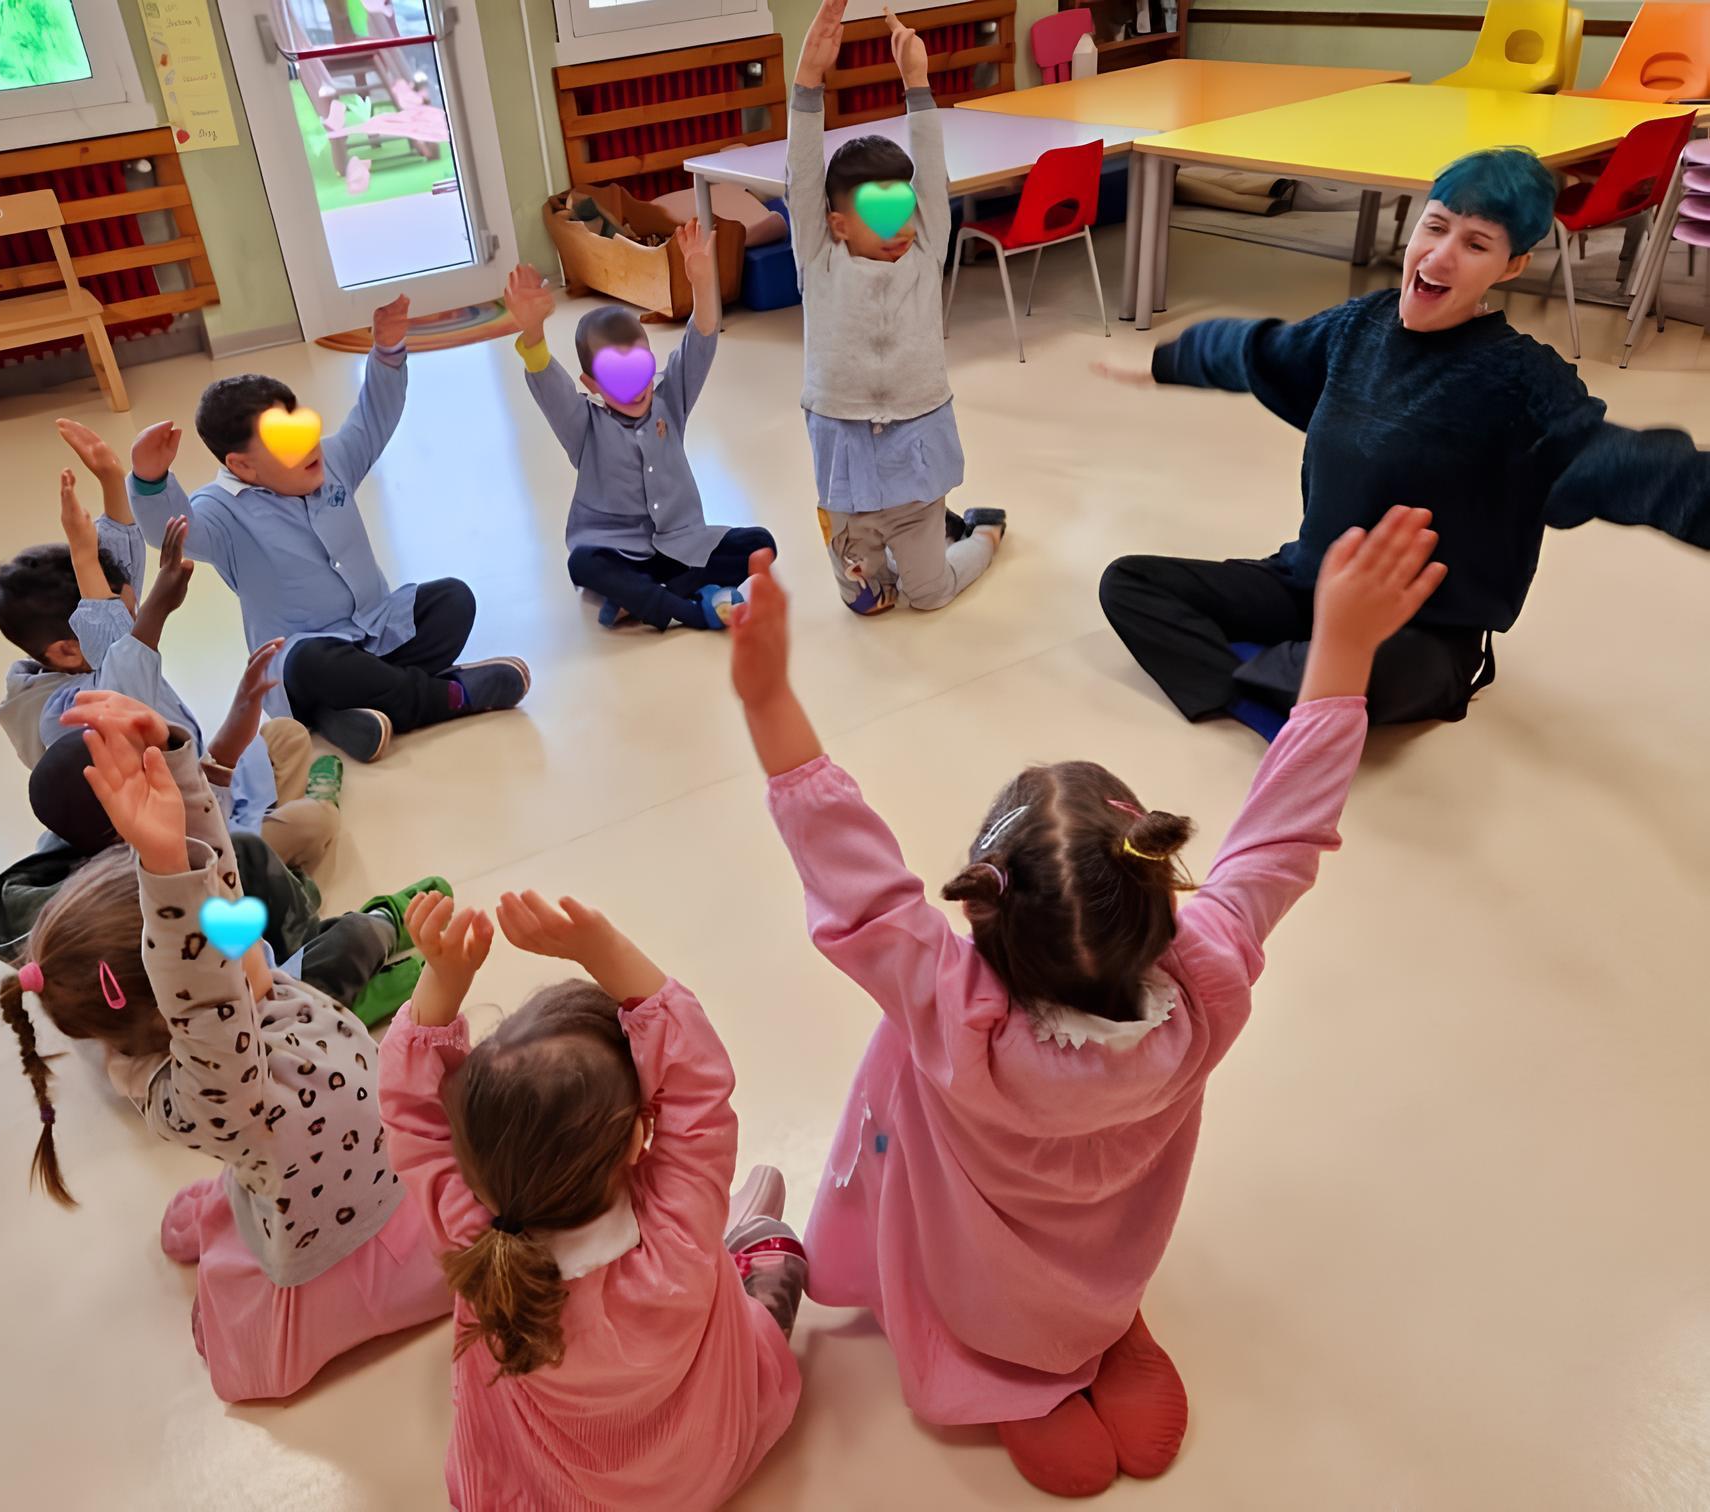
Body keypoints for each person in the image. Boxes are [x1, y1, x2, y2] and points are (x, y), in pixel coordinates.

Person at [725, 508, 1446, 1496]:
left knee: (987, 1287)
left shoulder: (946, 1010)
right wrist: (1343, 651)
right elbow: (1283, 839)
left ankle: (1011, 1372)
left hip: (982, 1286)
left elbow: (857, 880)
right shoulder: (1207, 976)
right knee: (1100, 1257)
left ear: (982, 906)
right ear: (1159, 883)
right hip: (1112, 1252)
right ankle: (1095, 1330)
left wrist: (769, 705)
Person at [1096, 147, 1710, 740]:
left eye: (1476, 244)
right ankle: (1278, 694)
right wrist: (1165, 361)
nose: (1440, 257)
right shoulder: (1359, 326)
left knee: (1377, 675)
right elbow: (1258, 351)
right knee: (1130, 583)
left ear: (1513, 265)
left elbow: (1622, 463)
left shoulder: (1522, 381)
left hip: (1423, 629)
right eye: (1435, 227)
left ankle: (1299, 687)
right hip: (1311, 583)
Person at [0, 690, 454, 1400]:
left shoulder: (236, 1000)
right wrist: (165, 872)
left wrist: (175, 771)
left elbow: (220, 888)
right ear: (180, 1008)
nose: (239, 921)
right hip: (354, 1236)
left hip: (341, 1165)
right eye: (213, 932)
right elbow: (199, 984)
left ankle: (226, 1213)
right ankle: (239, 1230)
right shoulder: (218, 1077)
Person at [378, 888, 804, 1510]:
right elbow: (697, 1090)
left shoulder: (470, 1237)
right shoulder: (678, 1237)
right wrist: (604, 949)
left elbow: (411, 1115)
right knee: (779, 1252)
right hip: (703, 1466)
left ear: (469, 1162)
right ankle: (751, 1240)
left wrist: (441, 979)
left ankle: (742, 1232)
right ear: (639, 1136)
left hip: (552, 1496)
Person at [126, 295, 530, 763]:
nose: (309, 443)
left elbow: (372, 420)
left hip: (375, 630)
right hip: (306, 659)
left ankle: (345, 710)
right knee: (317, 663)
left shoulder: (331, 461)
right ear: (244, 466)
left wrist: (388, 351)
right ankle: (447, 698)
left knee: (453, 600)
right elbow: (174, 533)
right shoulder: (221, 511)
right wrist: (151, 482)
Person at [0, 420, 341, 868]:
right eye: (127, 612)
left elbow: (118, 590)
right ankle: (293, 835)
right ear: (65, 649)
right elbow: (121, 664)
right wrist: (148, 603)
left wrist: (112, 481)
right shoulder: (66, 714)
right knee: (312, 824)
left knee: (286, 736)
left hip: (205, 783)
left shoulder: (81, 653)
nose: (134, 614)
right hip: (187, 843)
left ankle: (273, 829)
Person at [788, 0, 1006, 616]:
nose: (900, 224)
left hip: (914, 461)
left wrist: (918, 85)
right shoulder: (820, 259)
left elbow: (931, 174)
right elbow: (802, 177)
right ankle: (868, 545)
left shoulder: (925, 250)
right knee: (867, 600)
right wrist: (807, 84)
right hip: (847, 470)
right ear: (836, 224)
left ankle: (981, 531)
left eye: (904, 207)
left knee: (926, 596)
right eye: (879, 214)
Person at [505, 222, 778, 631]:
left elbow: (700, 341)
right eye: (618, 379)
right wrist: (532, 332)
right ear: (593, 385)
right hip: (618, 550)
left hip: (680, 543)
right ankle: (686, 608)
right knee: (583, 563)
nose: (636, 389)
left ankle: (638, 600)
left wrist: (702, 284)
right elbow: (548, 382)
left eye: (641, 371)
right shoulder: (584, 424)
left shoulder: (670, 400)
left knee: (760, 543)